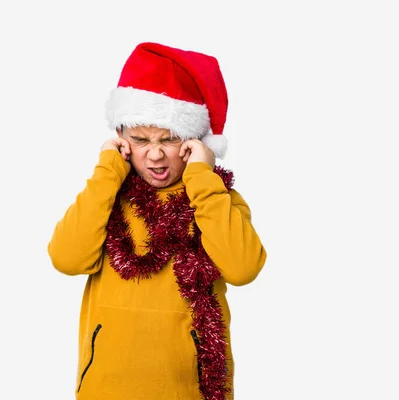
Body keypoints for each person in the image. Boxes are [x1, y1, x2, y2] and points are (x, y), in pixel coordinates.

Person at [48, 42, 267, 400]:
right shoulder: (107, 197)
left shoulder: (216, 198)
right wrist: (107, 171)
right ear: (122, 140)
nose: (154, 154)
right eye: (140, 139)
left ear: (194, 142)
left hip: (189, 391)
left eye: (169, 139)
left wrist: (201, 177)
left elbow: (243, 268)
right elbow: (67, 258)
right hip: (107, 389)